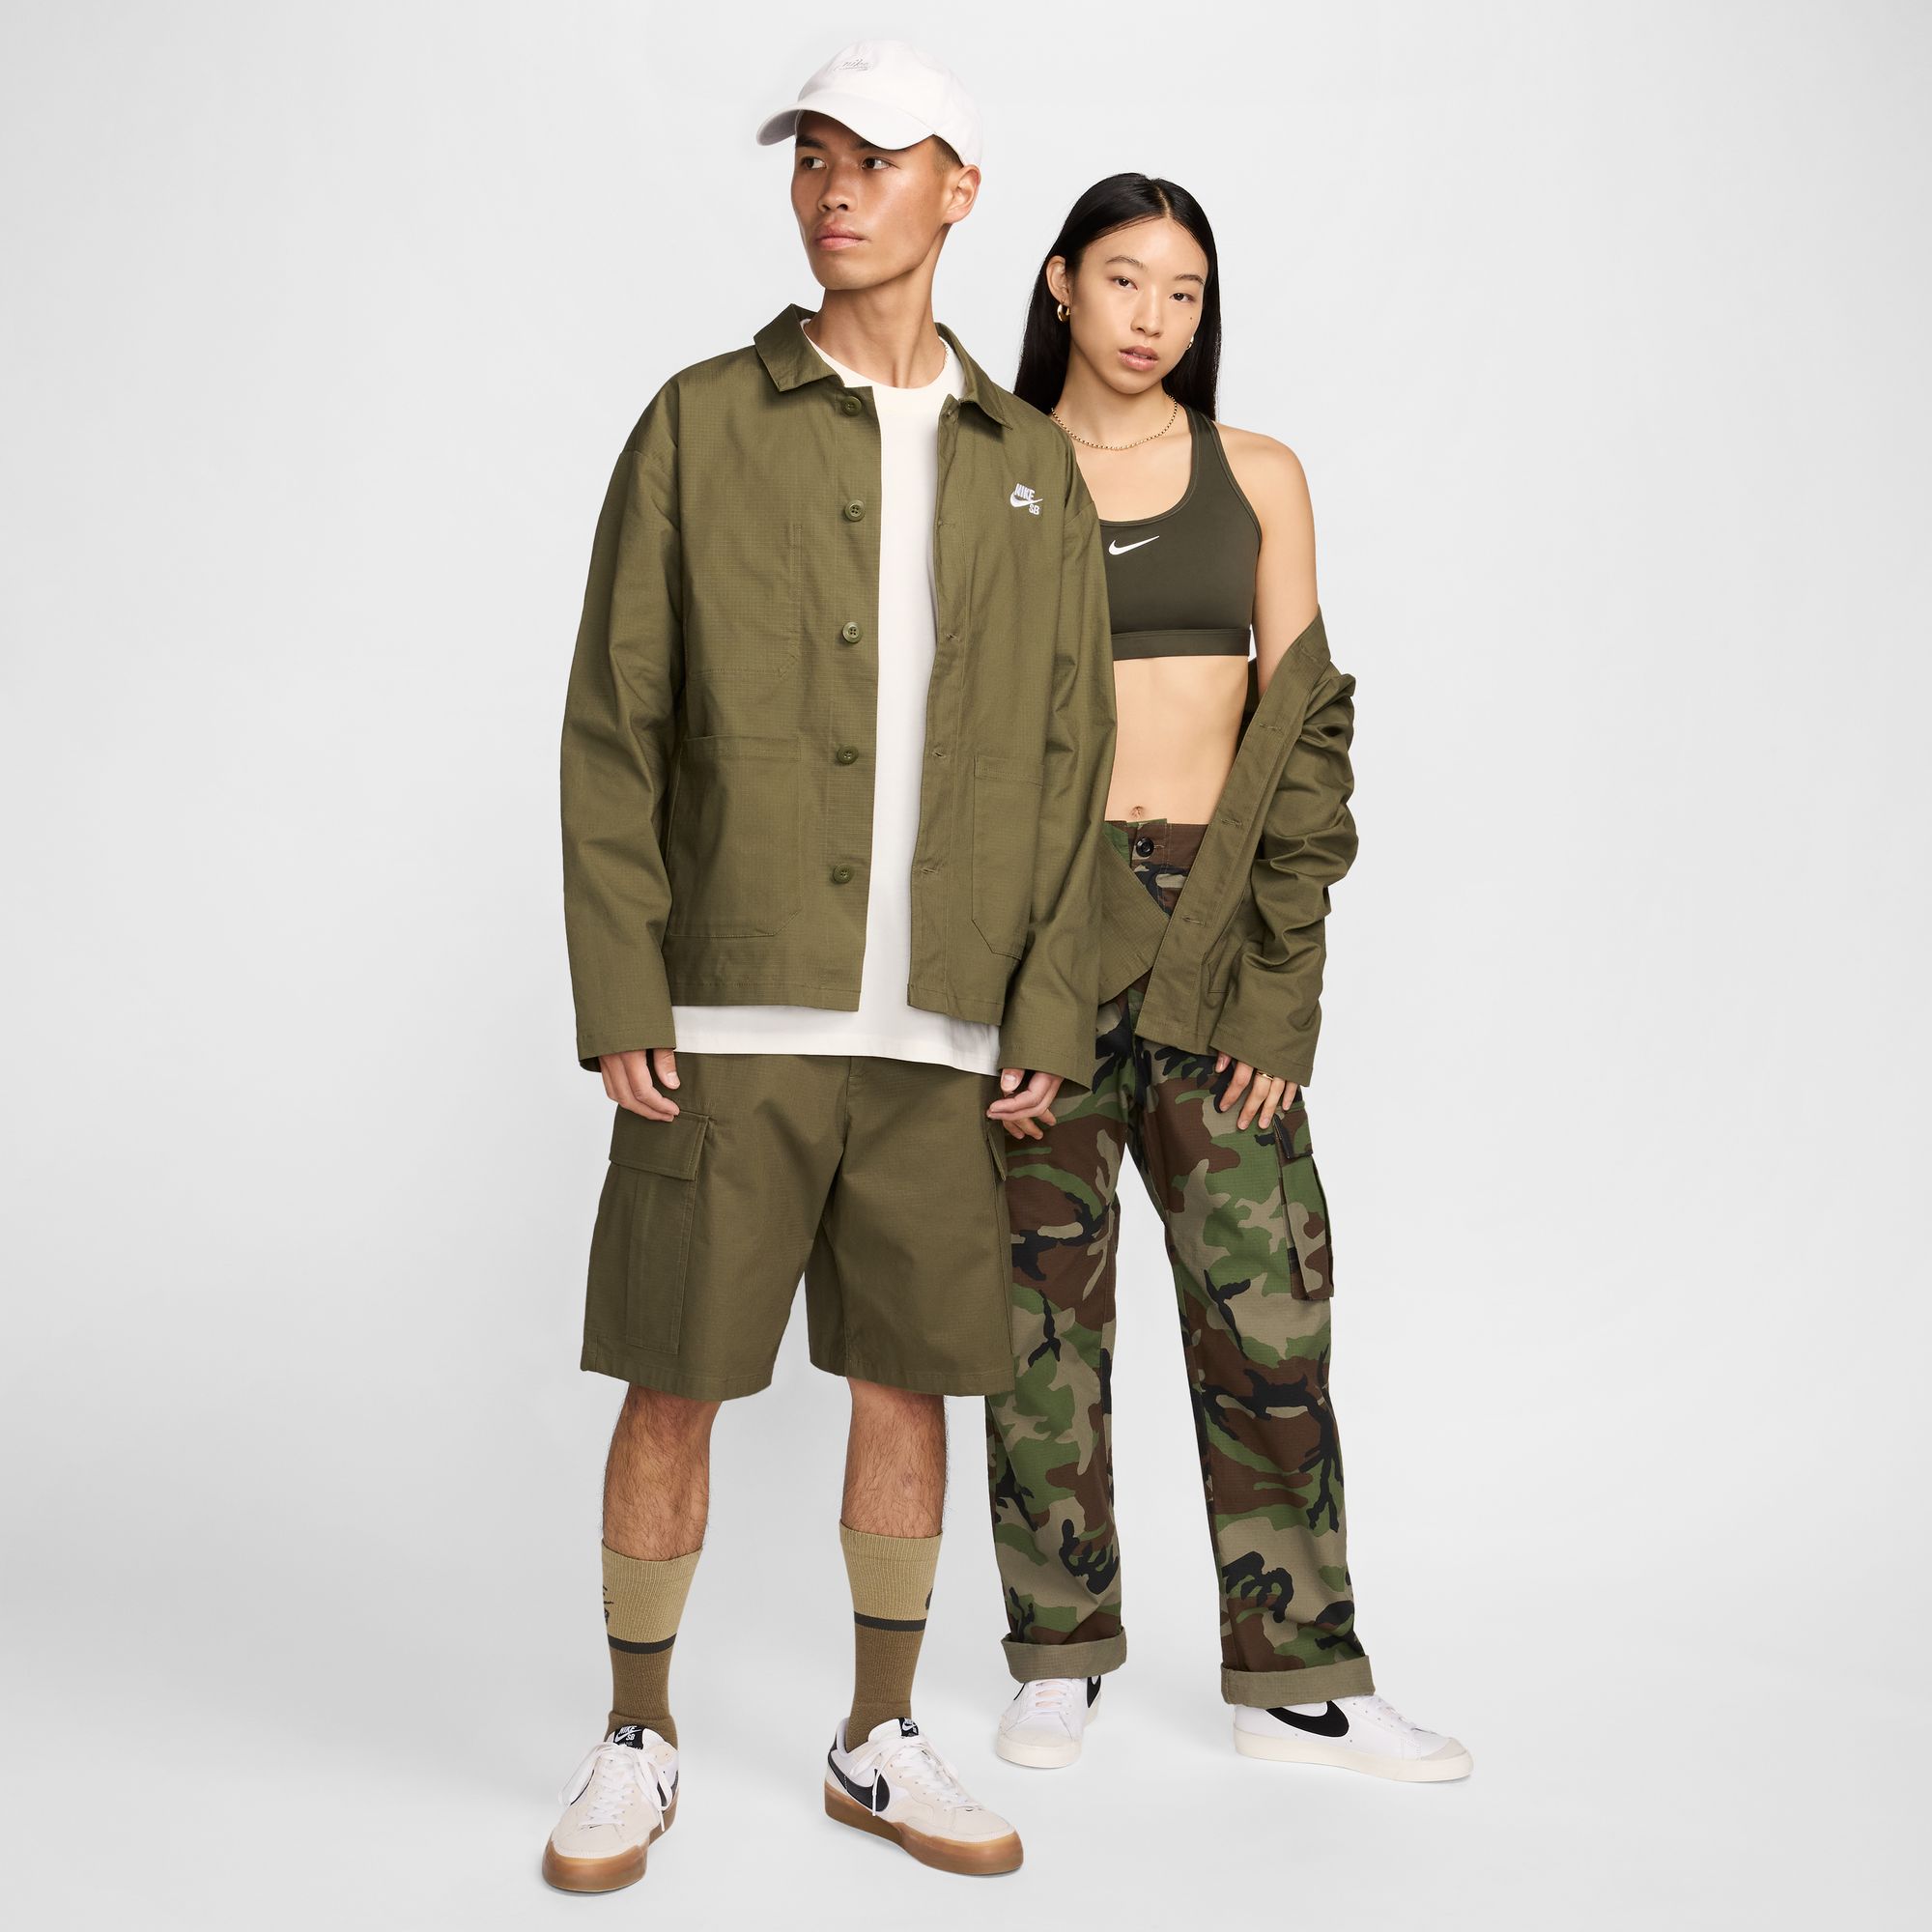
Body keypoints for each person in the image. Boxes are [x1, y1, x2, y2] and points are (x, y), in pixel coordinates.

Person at [544, 43, 1118, 1890]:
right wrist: (623, 987)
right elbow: (615, 725)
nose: (836, 187)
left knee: (907, 1388)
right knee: (675, 1378)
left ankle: (878, 1736)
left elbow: (1073, 759)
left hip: (942, 1028)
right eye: (813, 156)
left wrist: (1044, 1004)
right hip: (729, 1014)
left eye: (879, 157)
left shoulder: (1032, 469)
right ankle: (637, 1736)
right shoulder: (701, 423)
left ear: (962, 191)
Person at [982, 174, 1472, 1783]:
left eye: (1185, 291)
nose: (1154, 318)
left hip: (1210, 929)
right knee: (1037, 1327)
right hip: (1041, 937)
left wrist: (1277, 993)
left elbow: (1305, 740)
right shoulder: (987, 467)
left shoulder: (1256, 473)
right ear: (1060, 283)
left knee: (1269, 1322)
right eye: (1125, 280)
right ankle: (1058, 1658)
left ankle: (1301, 1684)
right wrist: (984, 985)